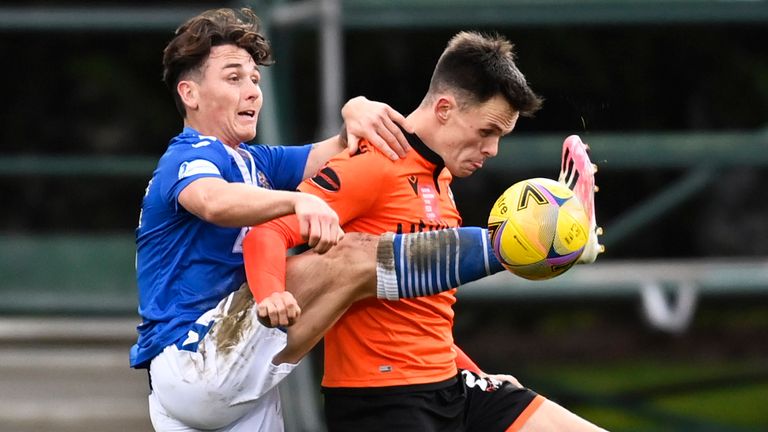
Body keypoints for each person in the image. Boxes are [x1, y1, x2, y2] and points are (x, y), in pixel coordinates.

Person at [244, 31, 606, 431]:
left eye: (501, 137)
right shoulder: (373, 165)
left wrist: (477, 373)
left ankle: (560, 242)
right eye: (487, 132)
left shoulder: (441, 182)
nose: (493, 150)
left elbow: (425, 316)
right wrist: (271, 294)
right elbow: (269, 229)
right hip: (381, 400)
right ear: (445, 108)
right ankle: (554, 241)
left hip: (450, 383)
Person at [130, 7, 423, 431]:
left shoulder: (255, 161)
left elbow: (343, 150)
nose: (251, 91)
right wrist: (296, 203)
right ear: (190, 94)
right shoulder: (188, 155)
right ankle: (486, 253)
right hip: (196, 354)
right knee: (354, 256)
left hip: (219, 374)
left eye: (254, 79)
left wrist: (355, 109)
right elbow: (212, 201)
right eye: (233, 78)